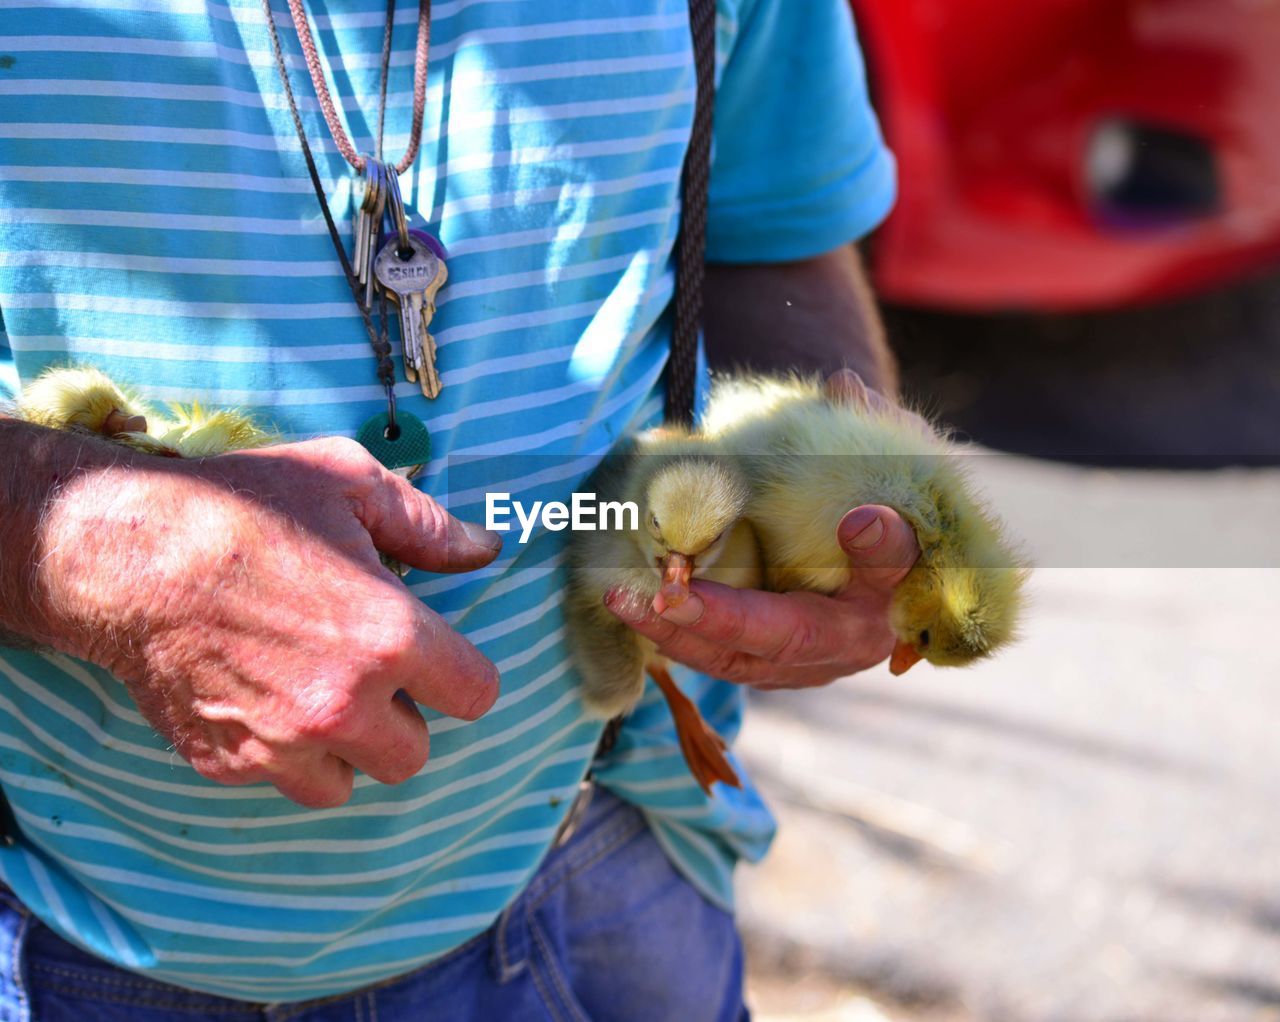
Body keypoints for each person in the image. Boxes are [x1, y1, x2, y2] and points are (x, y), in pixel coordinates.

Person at [0, 0, 919, 1017]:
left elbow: (770, 239)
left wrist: (828, 504)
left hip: (600, 889)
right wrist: (87, 547)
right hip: (51, 930)